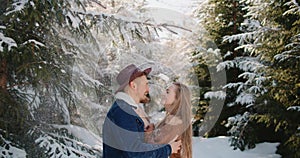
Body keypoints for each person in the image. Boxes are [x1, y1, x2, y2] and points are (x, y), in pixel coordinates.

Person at [102, 64, 181, 158]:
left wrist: (145, 134)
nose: (148, 89)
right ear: (133, 85)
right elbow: (135, 152)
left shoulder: (126, 109)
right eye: (146, 84)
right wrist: (168, 149)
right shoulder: (123, 111)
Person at [145, 82, 193, 158]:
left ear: (178, 99)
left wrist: (148, 133)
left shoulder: (175, 123)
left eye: (167, 92)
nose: (163, 93)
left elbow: (152, 150)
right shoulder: (170, 120)